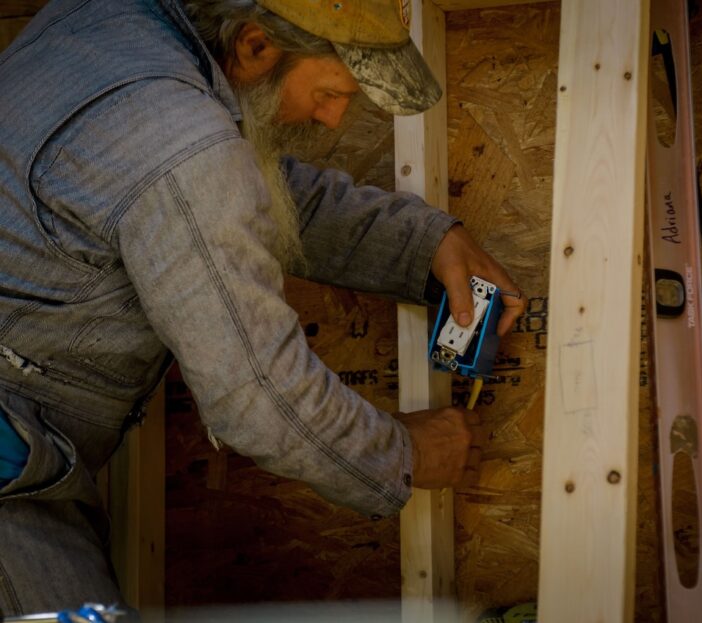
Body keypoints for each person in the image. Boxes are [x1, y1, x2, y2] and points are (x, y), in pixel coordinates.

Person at [0, 0, 527, 616]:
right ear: (254, 46)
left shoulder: (112, 24)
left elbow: (237, 195)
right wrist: (403, 453)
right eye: (331, 92)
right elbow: (259, 394)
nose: (333, 121)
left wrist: (423, 242)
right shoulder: (181, 143)